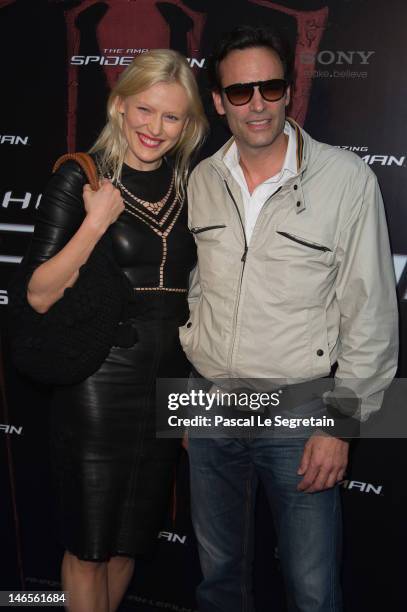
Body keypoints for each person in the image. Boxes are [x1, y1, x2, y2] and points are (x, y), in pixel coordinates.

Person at [180, 25, 398, 612]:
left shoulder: (347, 179)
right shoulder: (201, 179)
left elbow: (372, 313)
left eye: (270, 88)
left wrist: (342, 424)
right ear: (218, 101)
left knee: (311, 589)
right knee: (218, 578)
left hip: (302, 411)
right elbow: (195, 289)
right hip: (209, 406)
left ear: (289, 93)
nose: (258, 105)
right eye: (241, 91)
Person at [22, 49, 208, 612]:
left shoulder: (191, 186)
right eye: (145, 110)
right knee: (91, 545)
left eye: (171, 117)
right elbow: (38, 292)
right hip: (99, 381)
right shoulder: (82, 177)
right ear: (120, 107)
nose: (155, 128)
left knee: (131, 540)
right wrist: (95, 222)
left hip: (169, 383)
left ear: (188, 124)